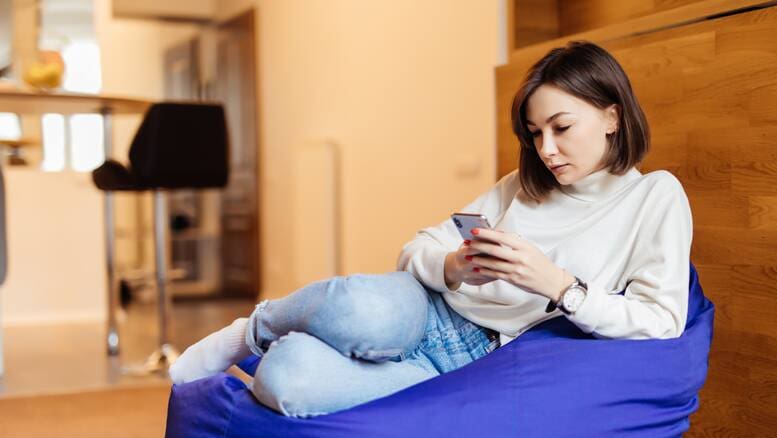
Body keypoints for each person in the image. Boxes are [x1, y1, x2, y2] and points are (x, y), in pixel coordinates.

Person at [168, 40, 692, 418]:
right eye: (534, 134)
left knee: (287, 384)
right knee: (357, 307)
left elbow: (663, 320)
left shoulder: (655, 196)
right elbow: (419, 246)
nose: (546, 150)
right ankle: (250, 332)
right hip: (426, 309)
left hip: (476, 362)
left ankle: (298, 346)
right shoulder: (521, 184)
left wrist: (559, 286)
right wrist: (452, 266)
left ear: (613, 117)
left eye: (561, 128)